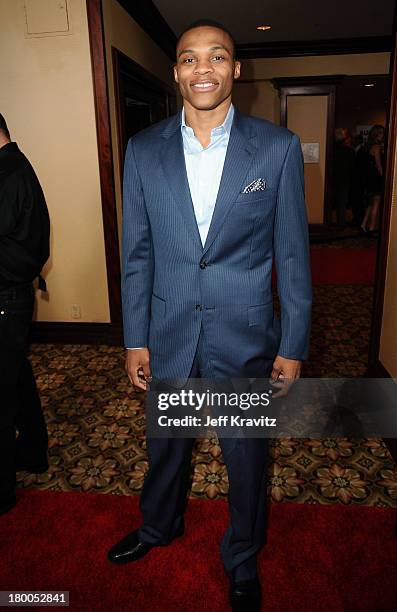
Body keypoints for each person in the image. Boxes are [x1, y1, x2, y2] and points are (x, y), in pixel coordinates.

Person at [107, 20, 312, 611]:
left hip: (244, 334)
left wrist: (293, 344)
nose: (203, 69)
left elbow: (293, 255)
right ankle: (157, 527)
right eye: (190, 58)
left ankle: (242, 556)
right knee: (165, 444)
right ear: (175, 72)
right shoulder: (142, 151)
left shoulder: (275, 149)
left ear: (235, 70)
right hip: (168, 331)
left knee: (245, 457)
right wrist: (135, 337)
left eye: (216, 57)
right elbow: (138, 254)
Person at [0, 113, 50, 516]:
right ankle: (32, 453)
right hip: (13, 295)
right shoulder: (16, 167)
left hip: (6, 296)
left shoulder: (9, 174)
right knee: (15, 377)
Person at [360, 124, 385, 233]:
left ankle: (364, 225)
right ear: (378, 134)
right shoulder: (377, 147)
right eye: (382, 133)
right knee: (376, 203)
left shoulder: (367, 146)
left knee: (370, 204)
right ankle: (371, 228)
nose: (383, 136)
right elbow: (379, 165)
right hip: (375, 179)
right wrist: (385, 178)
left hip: (369, 178)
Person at [333, 128, 355, 227]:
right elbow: (352, 167)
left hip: (333, 178)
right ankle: (341, 224)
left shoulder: (331, 149)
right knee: (342, 202)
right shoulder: (349, 151)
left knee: (333, 202)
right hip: (345, 180)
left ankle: (333, 222)